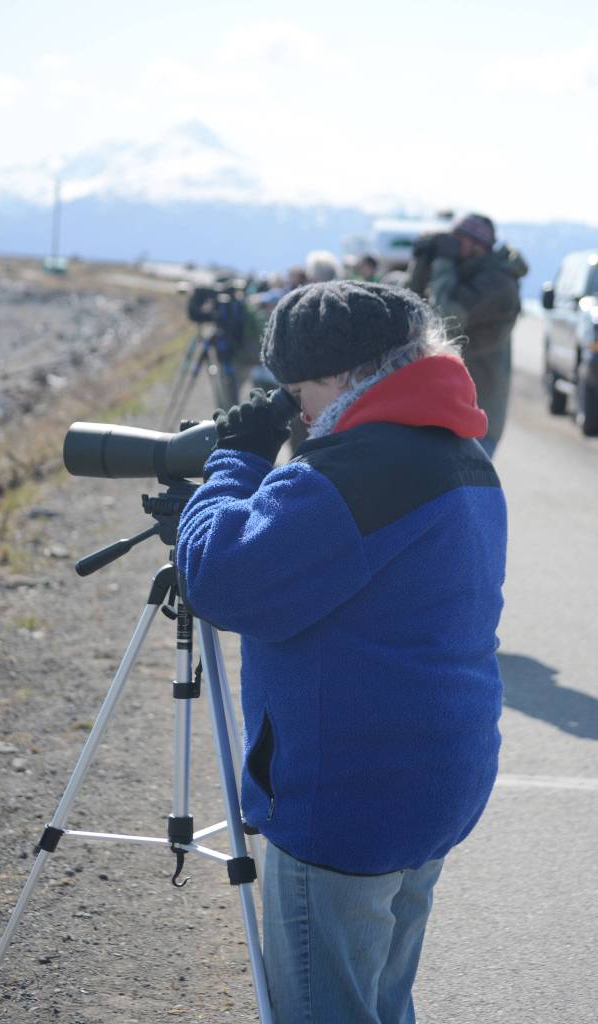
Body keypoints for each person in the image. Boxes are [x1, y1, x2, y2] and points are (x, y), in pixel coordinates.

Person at [175, 280, 507, 1023]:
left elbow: (221, 580)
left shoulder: (353, 474)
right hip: (431, 779)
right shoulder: (457, 447)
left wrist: (234, 462)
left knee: (326, 1008)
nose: (294, 408)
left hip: (350, 799)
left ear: (343, 377)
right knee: (377, 998)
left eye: (296, 389)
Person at [405, 212, 528, 457]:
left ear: (475, 245)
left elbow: (444, 321)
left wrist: (443, 262)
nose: (449, 245)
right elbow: (407, 310)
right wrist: (422, 262)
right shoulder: (462, 272)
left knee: (461, 493)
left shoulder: (499, 283)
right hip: (443, 410)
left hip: (476, 420)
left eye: (456, 239)